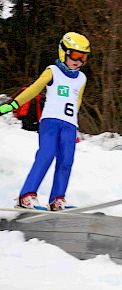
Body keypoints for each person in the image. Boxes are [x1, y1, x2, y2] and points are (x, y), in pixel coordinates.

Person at [0, 32, 90, 210]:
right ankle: (27, 195)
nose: (78, 61)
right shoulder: (53, 71)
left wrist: (75, 127)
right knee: (46, 155)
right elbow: (34, 90)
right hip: (50, 122)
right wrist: (10, 106)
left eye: (83, 57)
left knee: (66, 161)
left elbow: (76, 102)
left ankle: (57, 199)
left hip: (69, 126)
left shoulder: (82, 78)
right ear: (63, 52)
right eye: (75, 55)